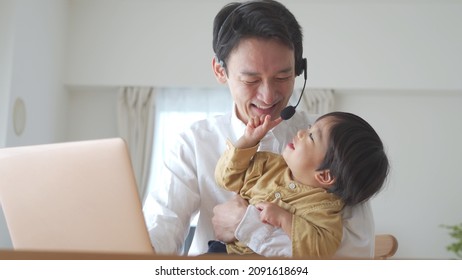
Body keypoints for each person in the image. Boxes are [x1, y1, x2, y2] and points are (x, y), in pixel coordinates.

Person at [143, 0, 377, 258]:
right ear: (220, 72)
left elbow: (356, 253)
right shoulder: (193, 142)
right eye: (251, 80)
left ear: (299, 70)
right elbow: (160, 226)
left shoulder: (332, 142)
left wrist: (247, 226)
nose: (267, 97)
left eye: (282, 77)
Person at [208, 112, 389, 258]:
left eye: (311, 137)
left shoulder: (325, 209)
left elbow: (319, 251)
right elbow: (225, 178)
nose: (302, 132)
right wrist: (247, 141)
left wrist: (285, 220)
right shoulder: (268, 164)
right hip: (225, 252)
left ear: (325, 175)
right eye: (309, 128)